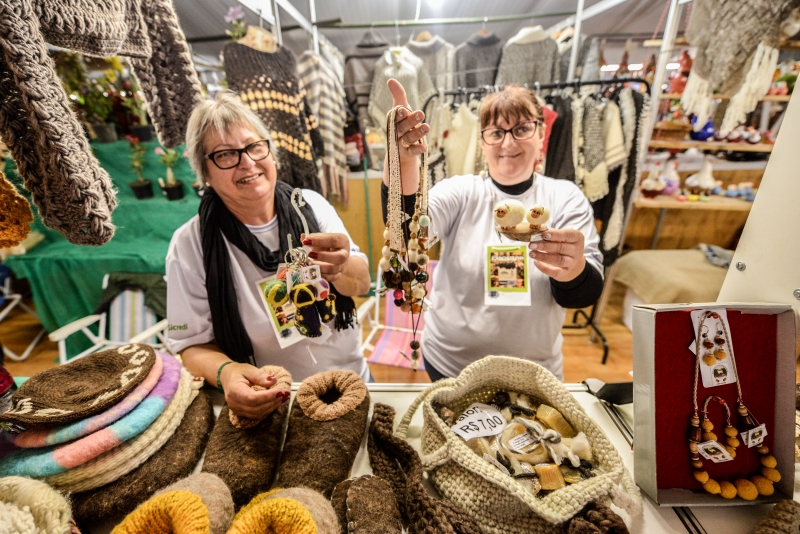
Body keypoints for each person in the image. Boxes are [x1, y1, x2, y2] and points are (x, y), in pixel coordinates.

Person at [167, 91, 371, 420]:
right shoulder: (190, 245)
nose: (247, 162)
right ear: (203, 171)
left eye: (254, 146)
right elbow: (190, 344)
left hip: (352, 382)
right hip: (276, 401)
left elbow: (361, 283)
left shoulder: (311, 207)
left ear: (270, 151)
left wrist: (343, 266)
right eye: (225, 155)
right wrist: (228, 372)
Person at [381, 79, 603, 381]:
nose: (508, 144)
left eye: (522, 129)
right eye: (496, 133)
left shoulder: (565, 198)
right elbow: (405, 233)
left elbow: (583, 295)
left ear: (541, 134)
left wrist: (572, 269)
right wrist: (403, 163)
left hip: (534, 373)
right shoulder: (461, 191)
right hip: (451, 366)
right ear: (483, 142)